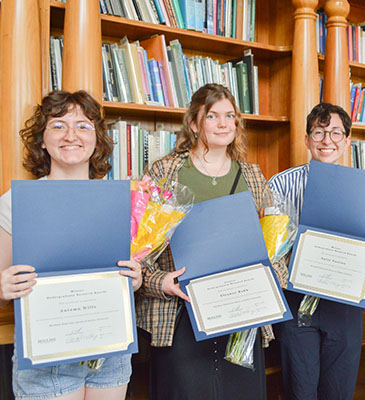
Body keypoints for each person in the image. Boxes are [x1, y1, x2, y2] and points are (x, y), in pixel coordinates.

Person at [137, 83, 283, 400]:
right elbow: (140, 248)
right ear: (194, 123)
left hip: (243, 312)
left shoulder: (252, 174)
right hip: (181, 314)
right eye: (213, 116)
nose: (222, 124)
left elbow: (274, 244)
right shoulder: (166, 171)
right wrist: (160, 281)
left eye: (229, 116)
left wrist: (273, 277)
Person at [0, 90, 142, 400]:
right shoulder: (15, 203)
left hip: (110, 350)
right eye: (58, 125)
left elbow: (126, 269)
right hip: (46, 355)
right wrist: (3, 286)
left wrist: (135, 278)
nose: (71, 135)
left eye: (82, 125)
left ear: (96, 139)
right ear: (41, 139)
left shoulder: (122, 201)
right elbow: (0, 282)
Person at [268, 102, 365, 400]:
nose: (327, 141)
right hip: (295, 300)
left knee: (339, 391)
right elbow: (268, 247)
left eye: (336, 133)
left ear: (347, 141)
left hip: (344, 302)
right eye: (319, 132)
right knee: (300, 389)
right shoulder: (280, 184)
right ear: (307, 139)